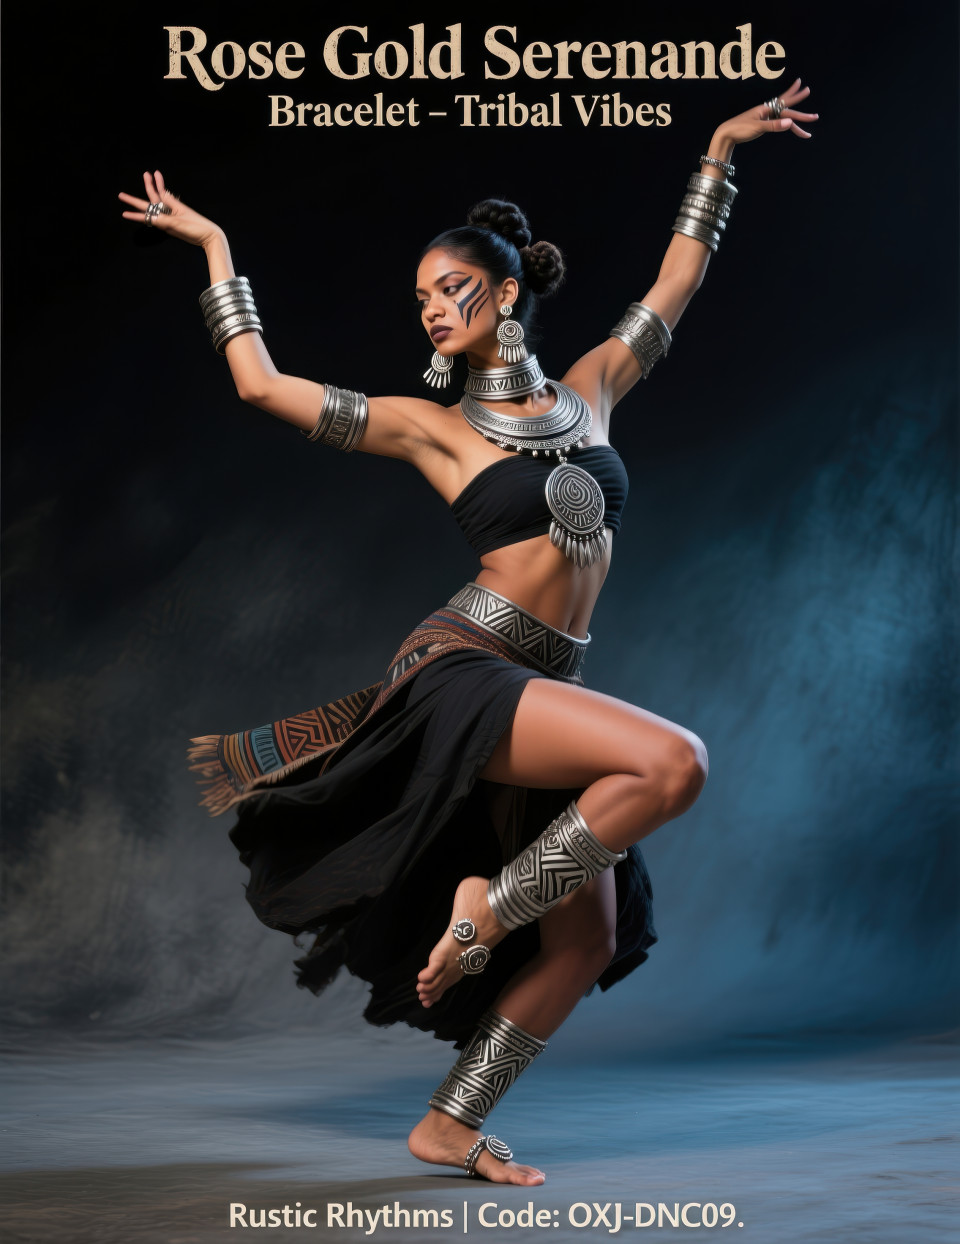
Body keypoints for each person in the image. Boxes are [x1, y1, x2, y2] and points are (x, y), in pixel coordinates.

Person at [120, 81, 817, 1186]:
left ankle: (449, 1121)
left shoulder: (593, 390)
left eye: (450, 289)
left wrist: (720, 151)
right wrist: (214, 250)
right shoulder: (436, 429)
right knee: (674, 761)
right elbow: (261, 387)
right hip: (466, 670)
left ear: (503, 292)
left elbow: (678, 281)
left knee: (583, 941)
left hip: (548, 684)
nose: (432, 310)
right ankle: (487, 907)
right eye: (421, 299)